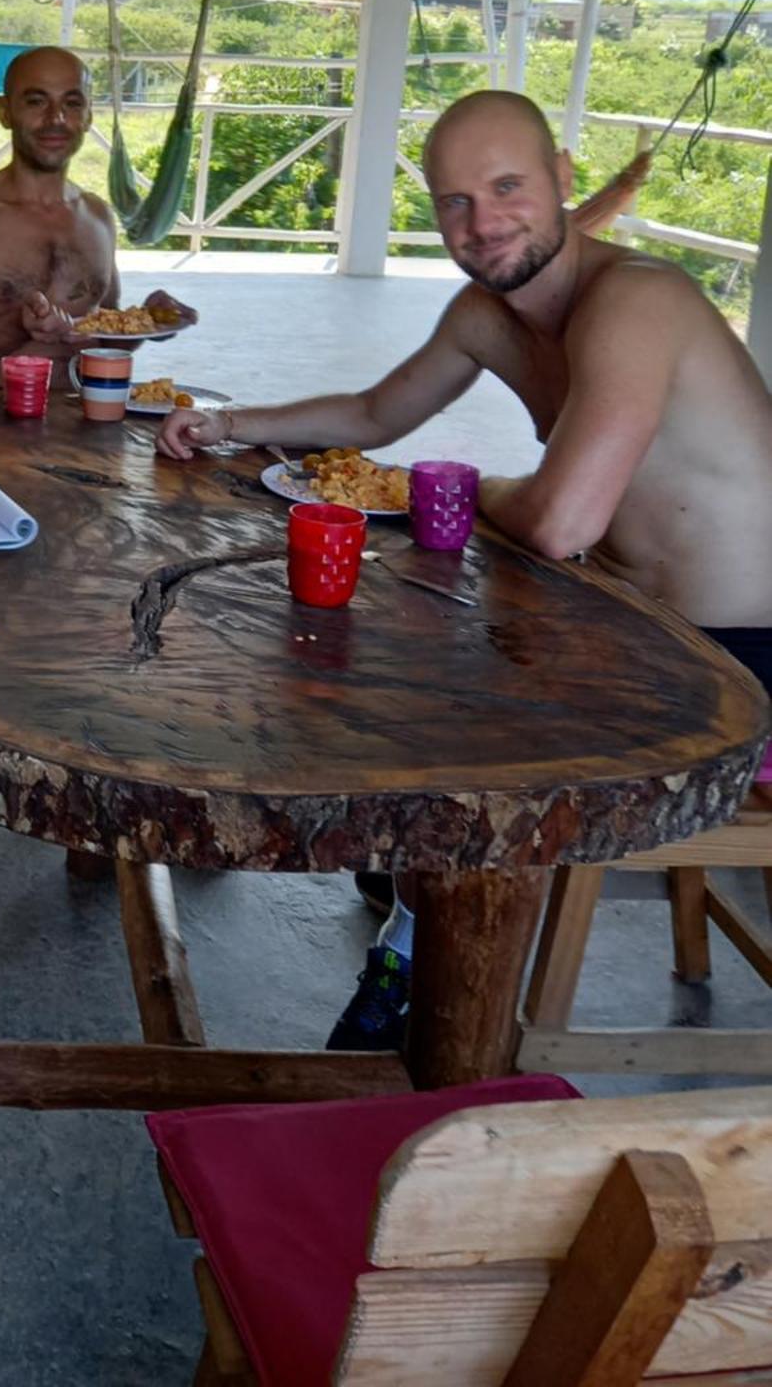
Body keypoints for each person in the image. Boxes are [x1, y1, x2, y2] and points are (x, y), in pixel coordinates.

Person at [158, 88, 772, 1049]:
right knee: (380, 625)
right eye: (455, 201)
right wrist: (229, 424)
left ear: (566, 180)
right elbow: (371, 417)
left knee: (456, 705)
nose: (483, 223)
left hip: (741, 665)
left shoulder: (635, 301)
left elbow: (563, 521)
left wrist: (466, 486)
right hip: (635, 630)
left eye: (508, 186)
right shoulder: (488, 316)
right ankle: (406, 863)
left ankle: (420, 950)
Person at [0, 44, 124, 405]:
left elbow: (110, 337)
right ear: (5, 111)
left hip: (94, 423)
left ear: (89, 116)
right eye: (36, 101)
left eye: (73, 103)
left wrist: (154, 320)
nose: (56, 118)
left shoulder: (97, 216)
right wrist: (16, 324)